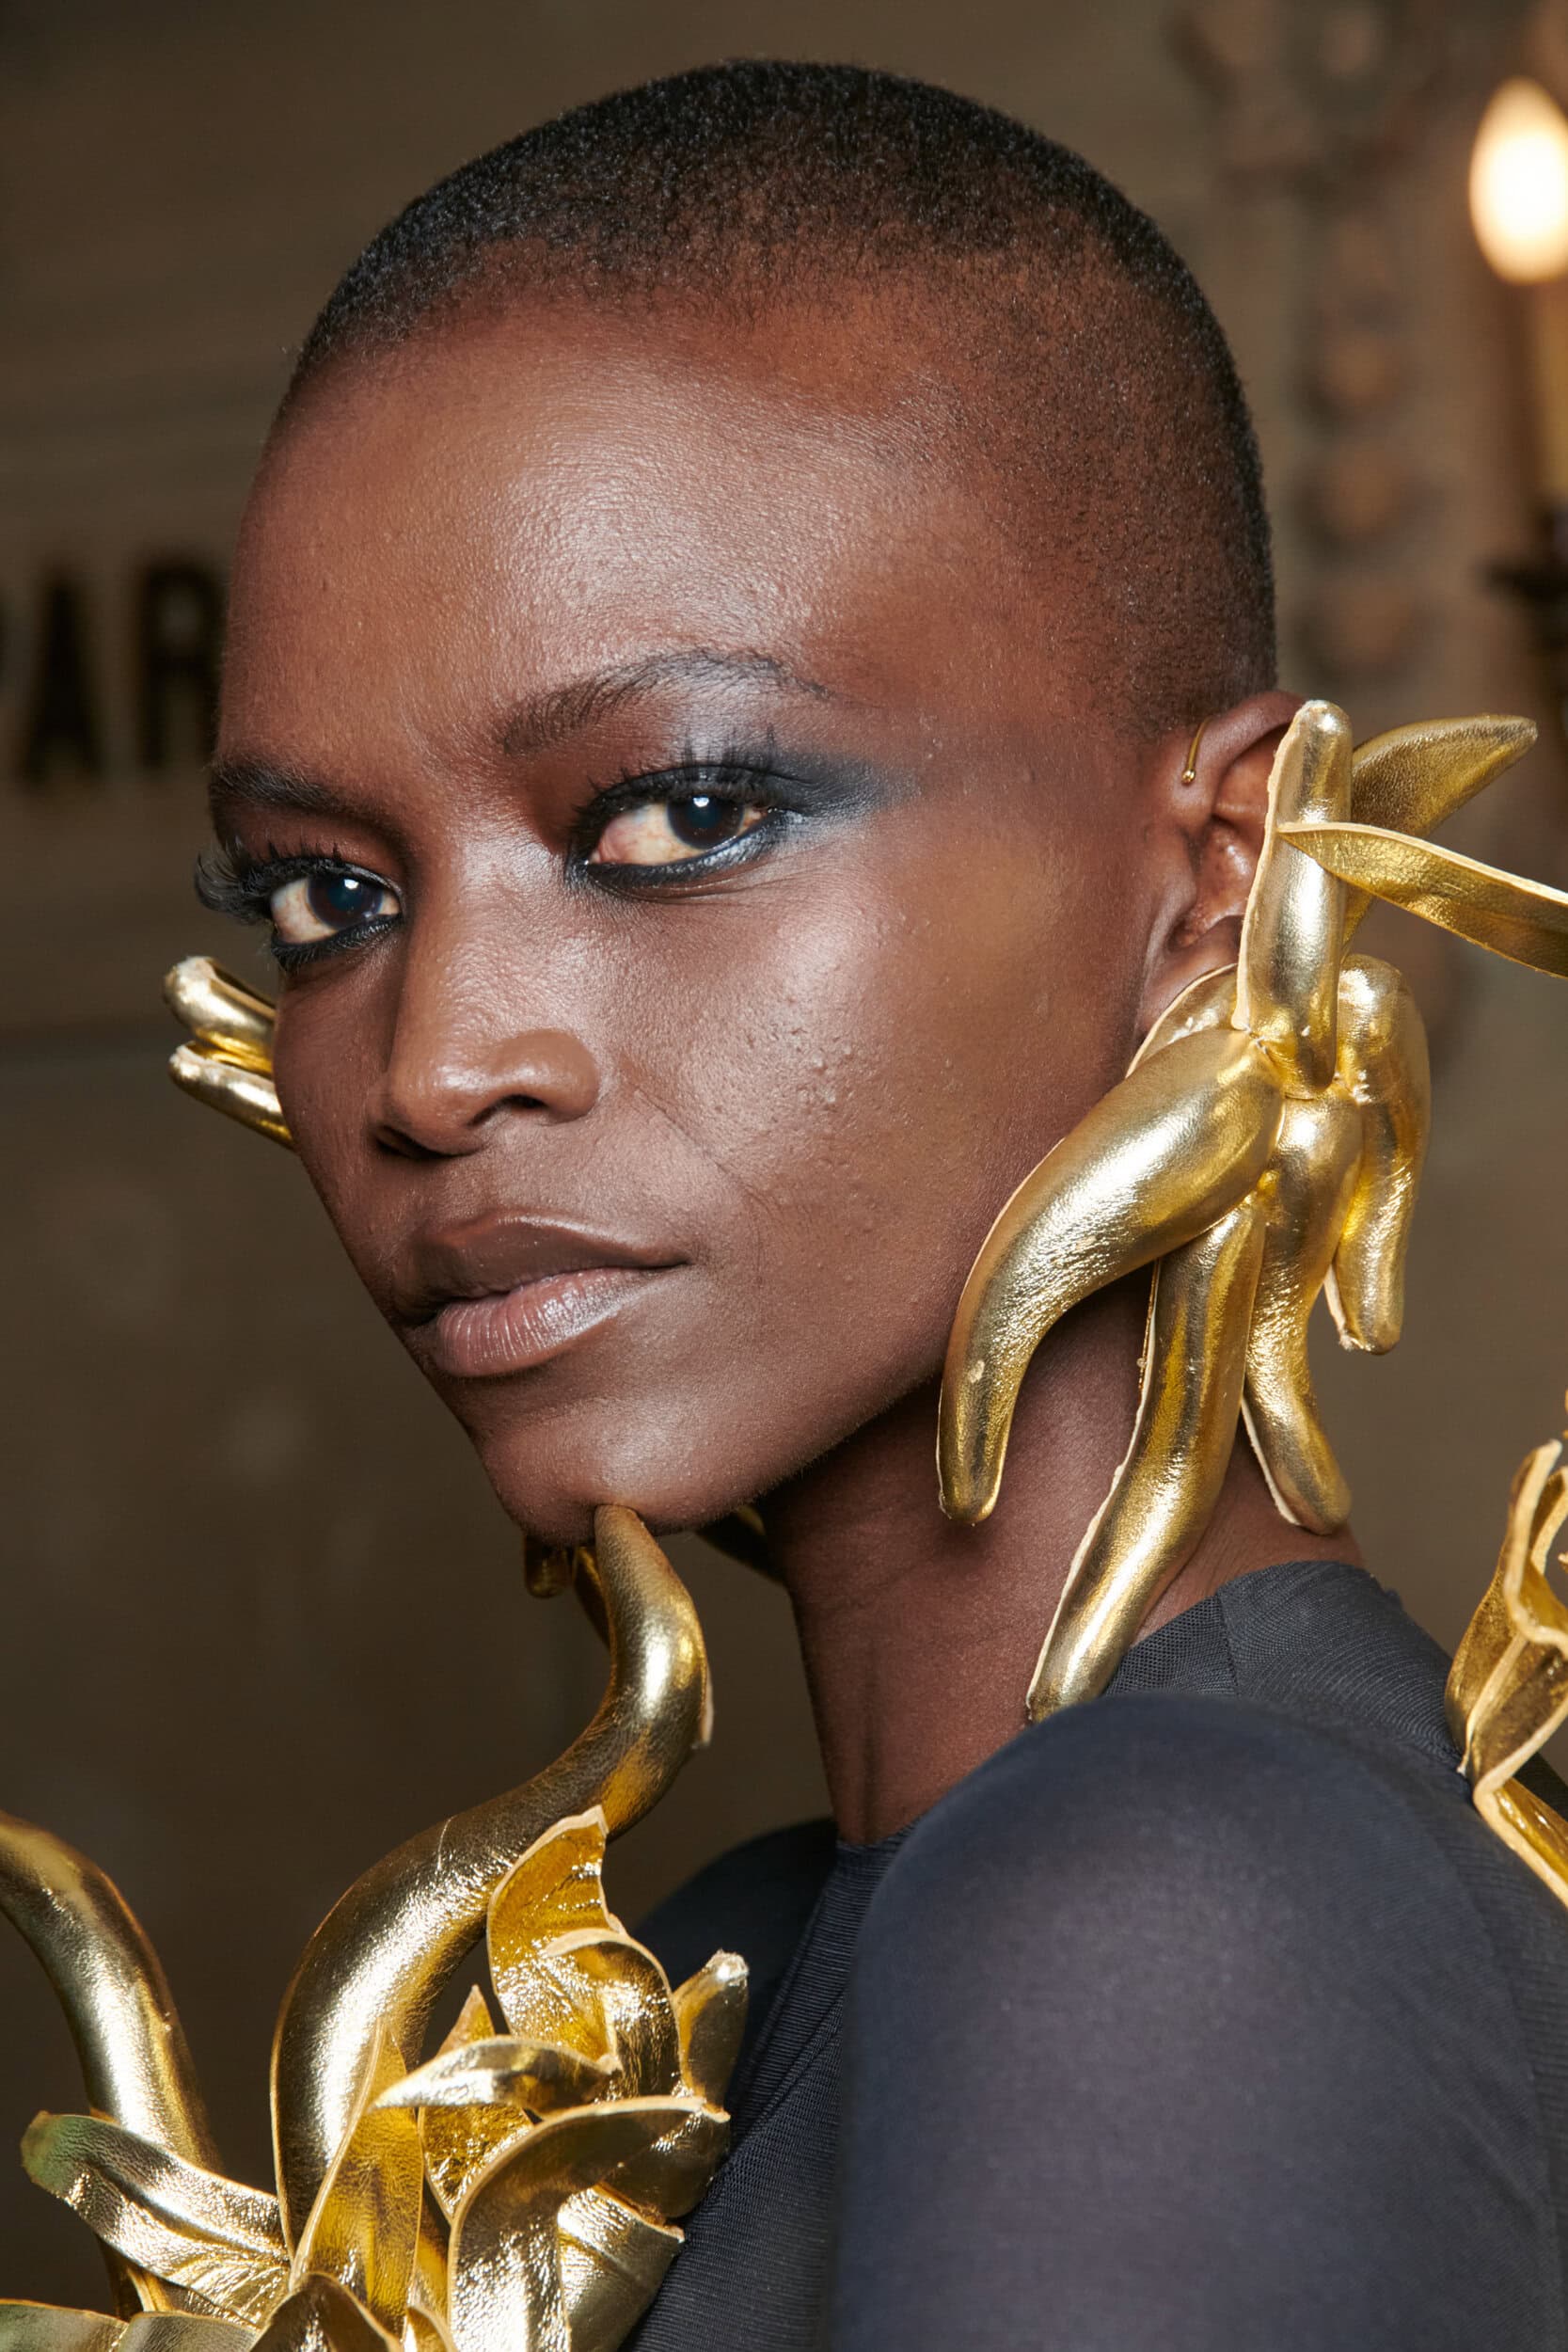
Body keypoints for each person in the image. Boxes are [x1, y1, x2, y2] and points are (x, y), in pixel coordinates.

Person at [191, 60, 1568, 2350]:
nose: (431, 1066)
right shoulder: (743, 1962)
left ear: (1215, 875)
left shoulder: (1157, 1911)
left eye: (677, 816)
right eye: (325, 892)